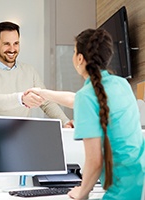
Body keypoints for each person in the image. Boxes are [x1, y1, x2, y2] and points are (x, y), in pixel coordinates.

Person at [26, 28, 145, 199]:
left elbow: (95, 161)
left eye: (74, 52)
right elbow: (77, 99)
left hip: (124, 191)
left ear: (80, 59)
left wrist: (82, 191)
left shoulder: (87, 96)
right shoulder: (121, 84)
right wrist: (44, 93)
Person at [0, 21, 73, 128]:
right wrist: (21, 99)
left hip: (23, 132)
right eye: (7, 44)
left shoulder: (29, 71)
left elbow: (46, 102)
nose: (12, 49)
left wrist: (65, 122)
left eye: (16, 43)